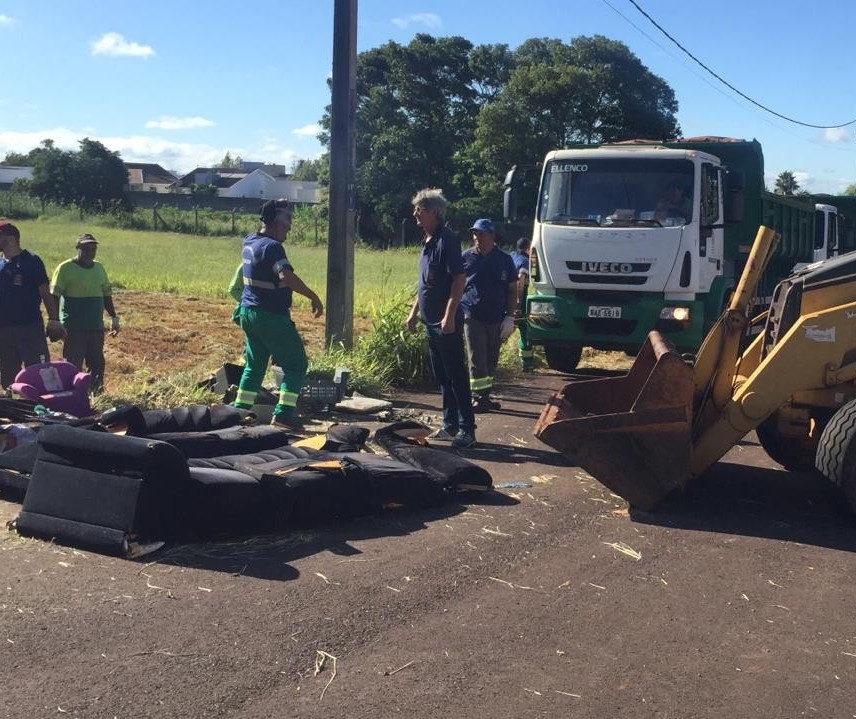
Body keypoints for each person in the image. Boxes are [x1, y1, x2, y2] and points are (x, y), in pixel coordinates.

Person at [232, 198, 323, 429]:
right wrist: (312, 295)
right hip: (271, 316)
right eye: (287, 219)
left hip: (248, 313)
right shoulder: (272, 247)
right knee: (296, 365)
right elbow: (286, 276)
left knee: (254, 366)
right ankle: (283, 416)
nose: (290, 225)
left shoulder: (249, 242)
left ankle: (237, 414)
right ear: (274, 221)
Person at [405, 188, 476, 449]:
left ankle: (467, 429)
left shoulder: (448, 239)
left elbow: (459, 279)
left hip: (445, 321)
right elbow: (424, 284)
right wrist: (413, 313)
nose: (415, 214)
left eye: (419, 209)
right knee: (443, 375)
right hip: (429, 320)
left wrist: (449, 316)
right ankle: (450, 425)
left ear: (434, 212)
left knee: (456, 374)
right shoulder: (427, 241)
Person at [0, 219, 65, 390]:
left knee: (38, 369)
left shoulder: (32, 261)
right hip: (5, 330)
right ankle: (14, 405)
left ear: (11, 239)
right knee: (8, 372)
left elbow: (45, 292)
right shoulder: (0, 263)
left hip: (29, 327)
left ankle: (41, 405)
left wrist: (54, 319)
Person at [50, 233, 120, 392]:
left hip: (95, 326)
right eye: (86, 249)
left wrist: (114, 317)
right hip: (73, 327)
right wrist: (54, 321)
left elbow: (106, 295)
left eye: (93, 249)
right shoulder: (65, 268)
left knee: (97, 363)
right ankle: (72, 395)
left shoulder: (99, 268)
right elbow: (54, 297)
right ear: (78, 249)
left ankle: (96, 395)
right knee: (73, 364)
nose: (90, 252)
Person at [461, 219, 517, 413]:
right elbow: (456, 284)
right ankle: (477, 398)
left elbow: (512, 290)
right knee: (477, 358)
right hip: (472, 316)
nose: (477, 237)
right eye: (475, 234)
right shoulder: (466, 258)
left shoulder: (504, 260)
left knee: (492, 359)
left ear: (492, 236)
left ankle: (485, 396)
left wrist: (510, 317)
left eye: (481, 234)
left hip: (496, 318)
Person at [511, 237, 534, 371]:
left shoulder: (512, 256)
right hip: (520, 299)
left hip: (505, 297)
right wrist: (518, 303)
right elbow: (521, 281)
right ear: (527, 247)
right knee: (525, 329)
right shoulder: (525, 262)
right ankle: (527, 363)